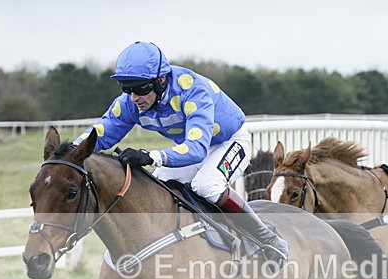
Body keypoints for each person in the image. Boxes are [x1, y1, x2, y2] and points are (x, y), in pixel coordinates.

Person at [74, 41, 288, 265]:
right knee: (156, 187)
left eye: (140, 88)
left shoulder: (193, 91)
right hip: (193, 147)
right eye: (126, 88)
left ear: (161, 80)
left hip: (229, 141)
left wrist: (151, 156)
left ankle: (269, 239)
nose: (134, 97)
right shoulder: (131, 103)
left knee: (207, 185)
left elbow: (196, 149)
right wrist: (70, 153)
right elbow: (100, 134)